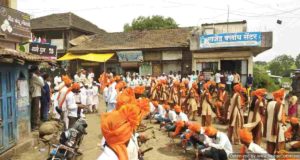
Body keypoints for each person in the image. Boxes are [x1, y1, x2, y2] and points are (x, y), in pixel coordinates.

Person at [265, 88, 286, 154]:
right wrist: (284, 122)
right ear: (280, 97)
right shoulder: (279, 105)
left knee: (270, 144)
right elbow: (279, 118)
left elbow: (267, 115)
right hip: (276, 128)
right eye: (282, 97)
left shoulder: (269, 103)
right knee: (279, 145)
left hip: (269, 127)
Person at [29, 66, 44, 130]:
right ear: (35, 70)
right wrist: (39, 77)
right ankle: (34, 126)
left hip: (34, 94)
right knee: (35, 111)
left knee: (34, 110)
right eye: (38, 70)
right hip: (36, 95)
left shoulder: (33, 76)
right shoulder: (35, 77)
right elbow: (42, 84)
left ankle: (34, 125)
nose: (39, 71)